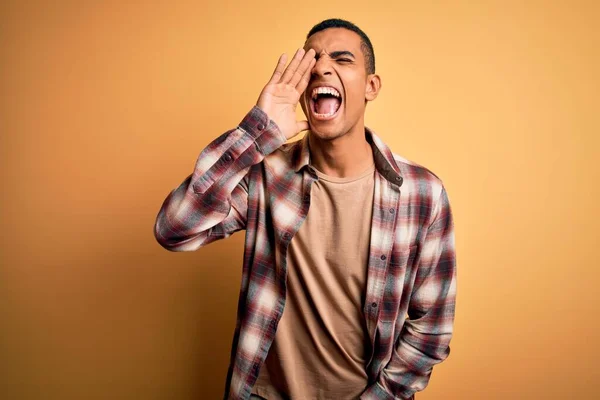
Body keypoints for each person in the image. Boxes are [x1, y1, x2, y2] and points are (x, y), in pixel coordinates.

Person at [154, 18, 456, 400]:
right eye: (312, 60)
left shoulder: (422, 195)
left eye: (342, 59)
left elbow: (431, 331)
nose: (321, 67)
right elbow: (173, 228)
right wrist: (255, 132)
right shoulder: (266, 175)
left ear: (371, 86)